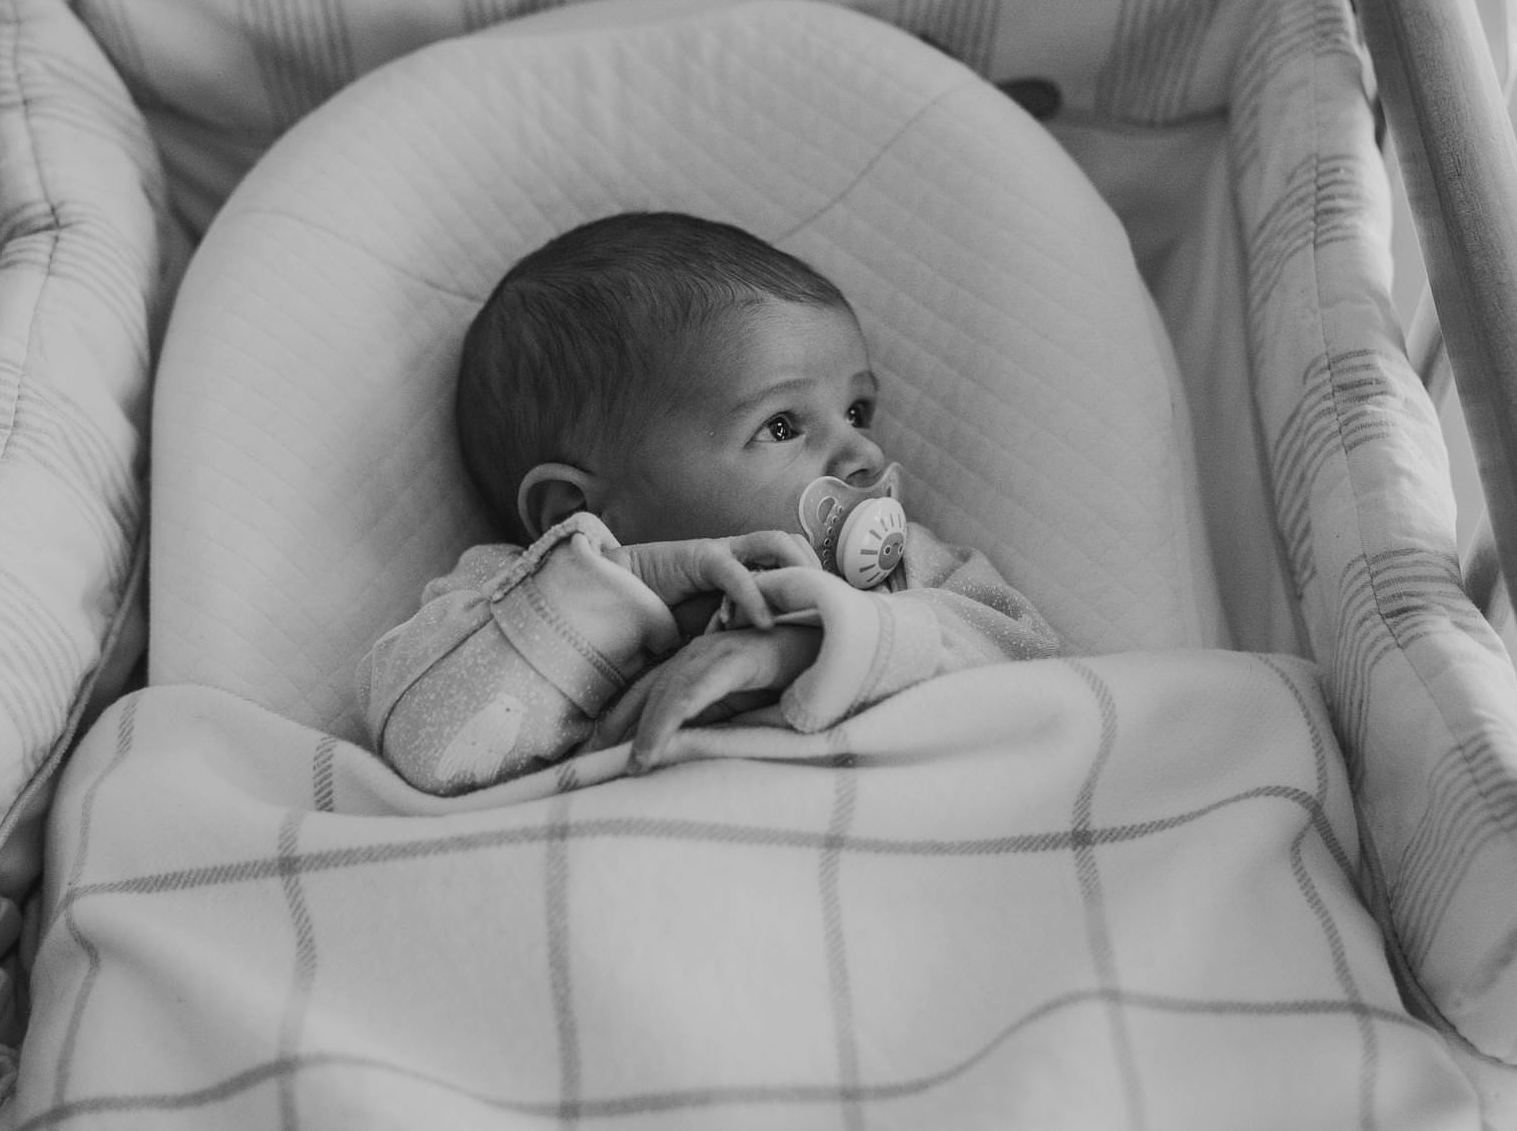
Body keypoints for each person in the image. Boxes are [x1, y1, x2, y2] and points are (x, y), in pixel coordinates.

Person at [356, 212, 1057, 796]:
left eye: (858, 409)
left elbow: (1031, 662)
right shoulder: (518, 600)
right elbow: (422, 747)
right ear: (575, 510)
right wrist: (618, 588)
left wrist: (813, 644)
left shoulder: (904, 580)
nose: (865, 455)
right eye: (782, 425)